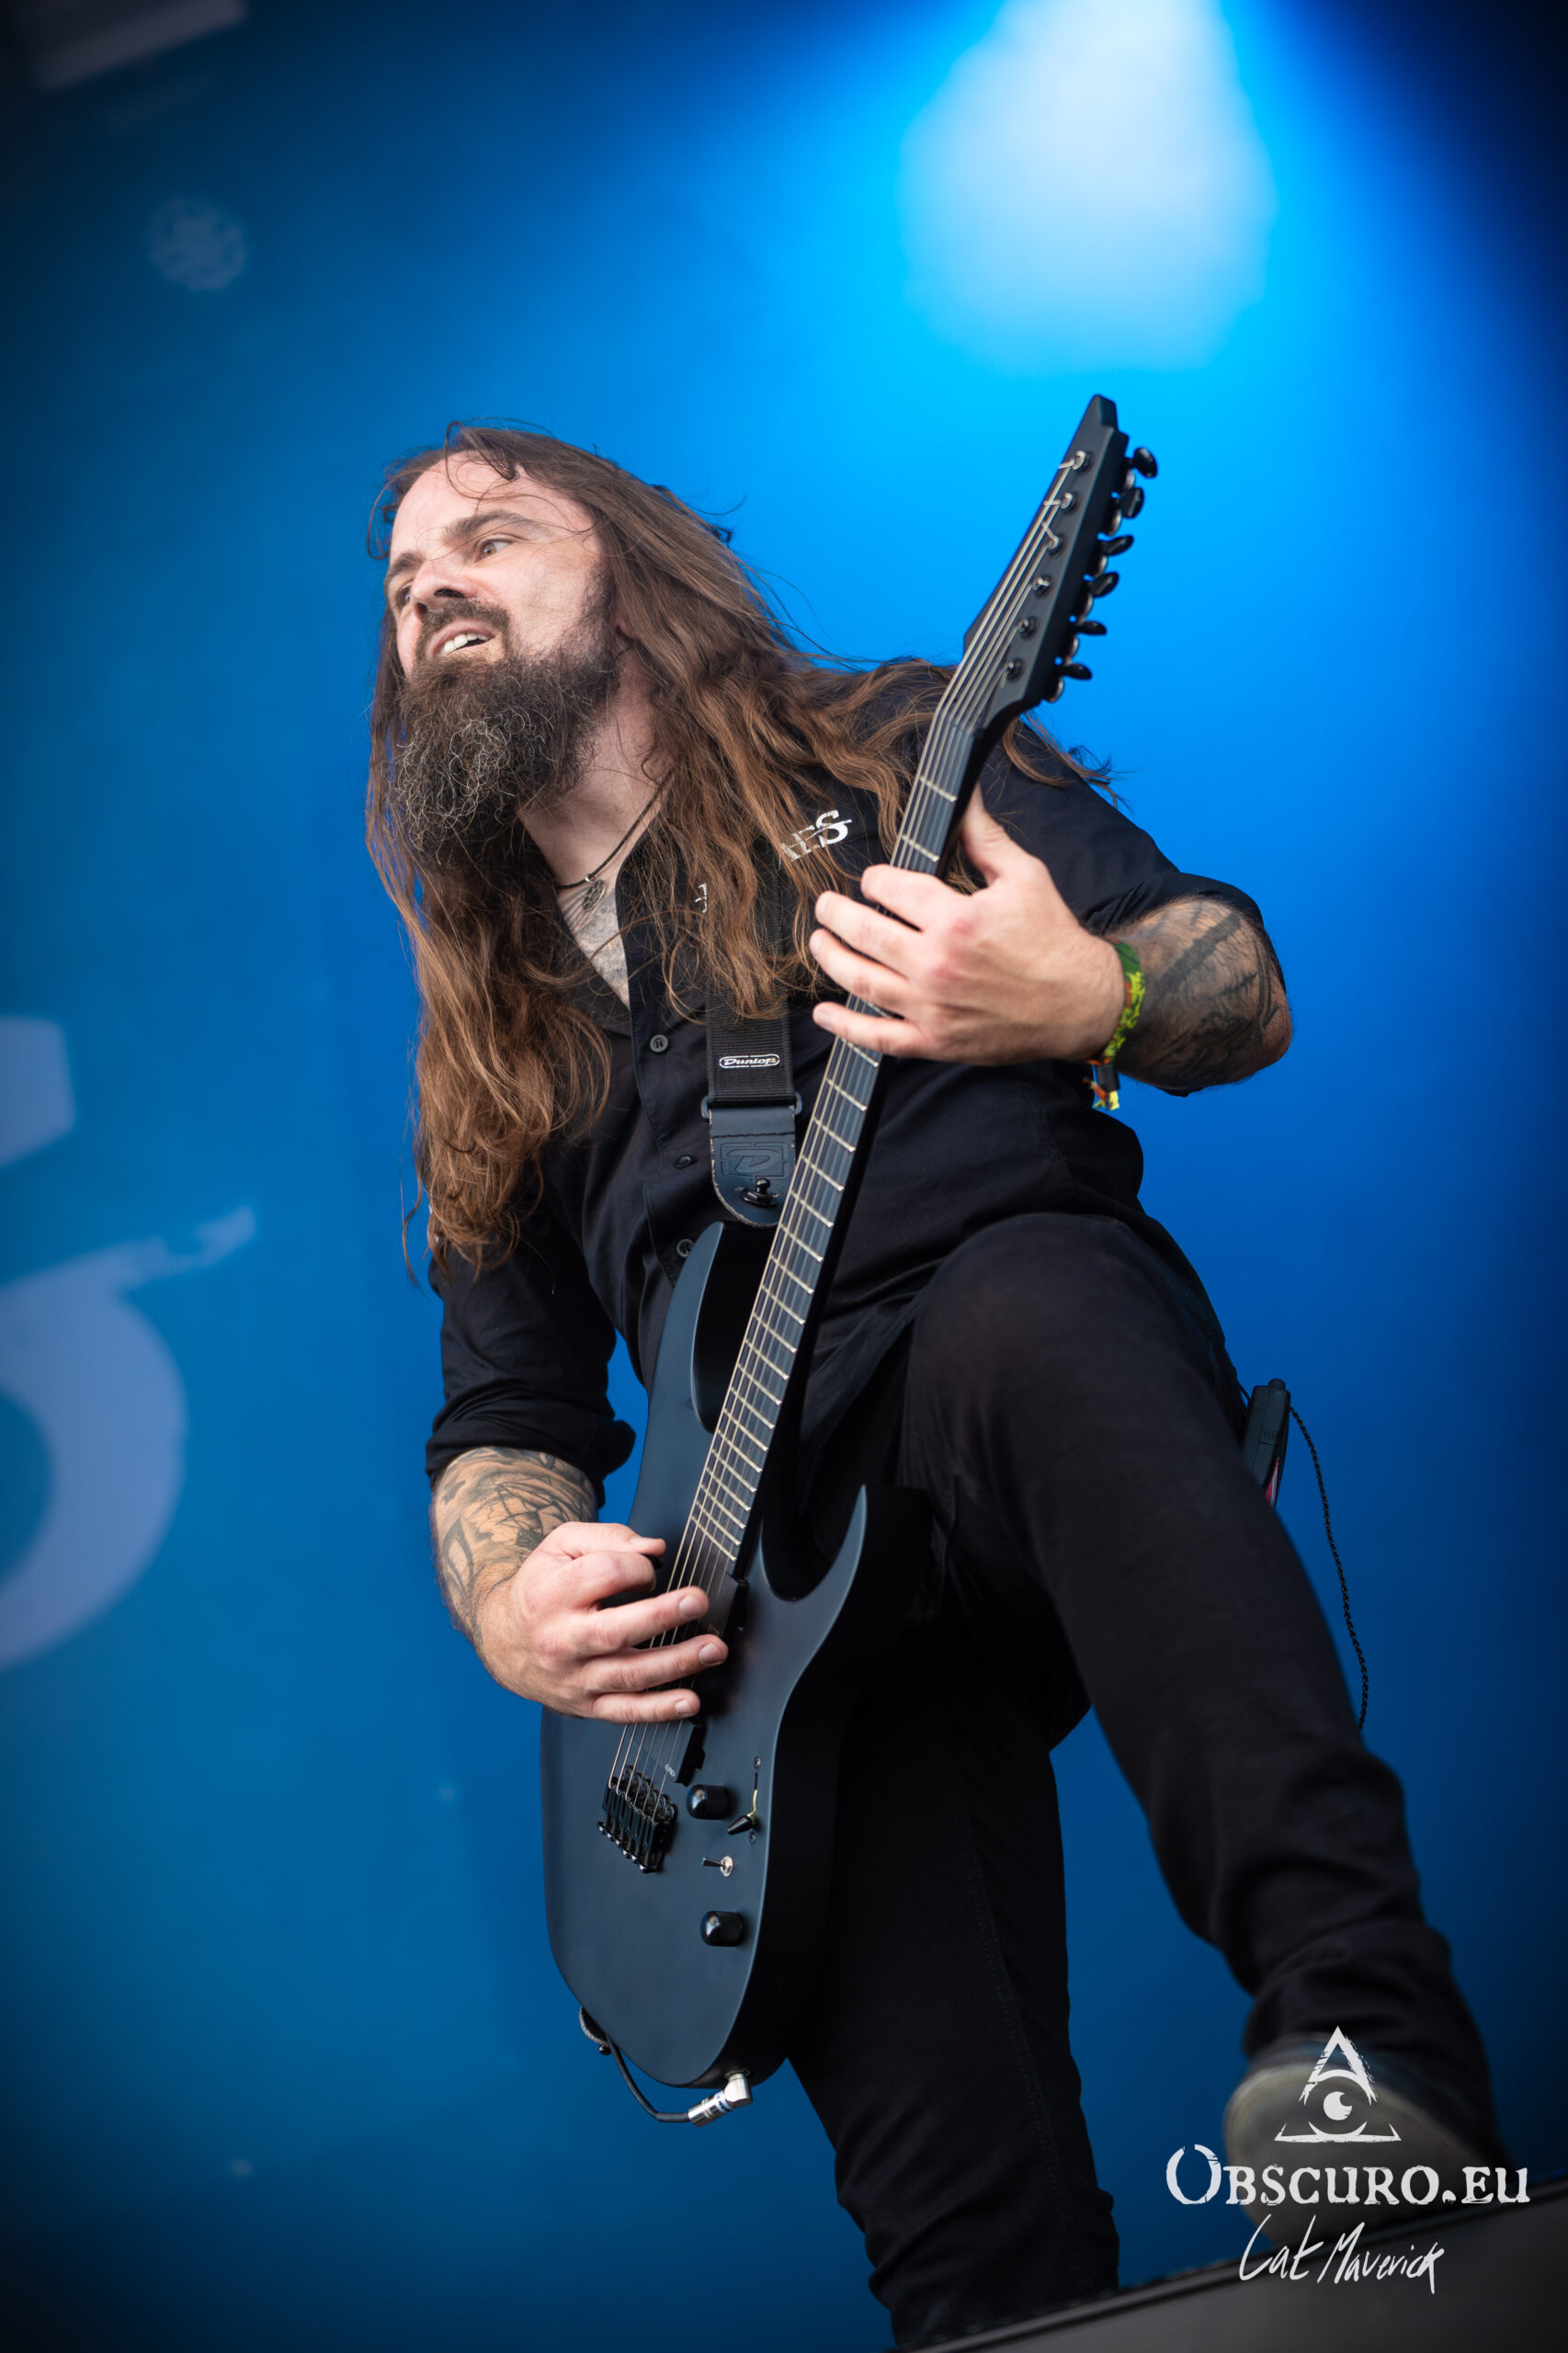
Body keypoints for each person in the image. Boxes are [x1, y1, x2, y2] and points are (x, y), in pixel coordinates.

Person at [367, 425, 1503, 2347]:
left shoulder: (885, 749)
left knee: (1030, 1300)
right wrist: (511, 1599)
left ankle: (1362, 2056)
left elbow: (1233, 978)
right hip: (771, 1611)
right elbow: (505, 1421)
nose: (432, 590)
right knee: (963, 2241)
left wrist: (1084, 997)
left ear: (635, 567)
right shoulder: (494, 1020)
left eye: (489, 535)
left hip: (1017, 1384)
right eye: (402, 585)